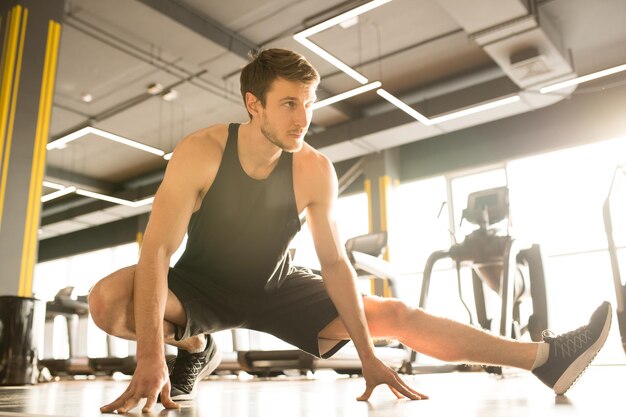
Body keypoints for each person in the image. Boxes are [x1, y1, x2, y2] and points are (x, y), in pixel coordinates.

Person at [88, 48, 613, 414]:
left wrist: (368, 357)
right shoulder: (201, 153)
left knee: (397, 315)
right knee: (107, 301)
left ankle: (545, 360)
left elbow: (335, 262)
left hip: (277, 287)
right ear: (254, 105)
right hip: (200, 285)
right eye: (289, 104)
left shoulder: (313, 168)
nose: (303, 119)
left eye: (309, 104)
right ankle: (197, 347)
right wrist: (150, 356)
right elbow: (157, 249)